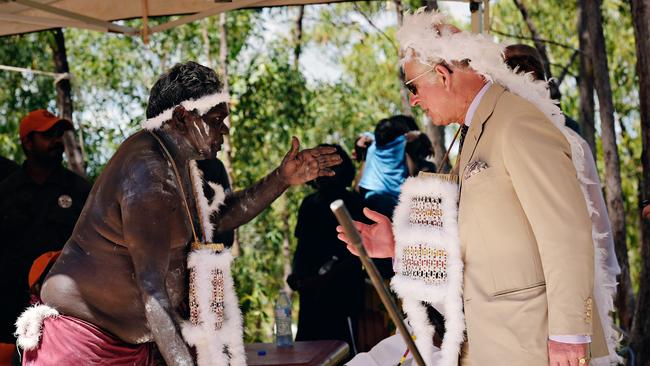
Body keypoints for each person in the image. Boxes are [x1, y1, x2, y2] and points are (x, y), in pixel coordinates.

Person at [18, 61, 341, 365]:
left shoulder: (174, 161)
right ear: (184, 117)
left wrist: (282, 178)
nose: (224, 130)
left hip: (126, 344)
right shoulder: (148, 171)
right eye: (215, 120)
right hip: (84, 344)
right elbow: (152, 292)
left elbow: (212, 222)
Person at [338, 11, 613, 365]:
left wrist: (569, 334)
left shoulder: (517, 121)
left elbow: (566, 232)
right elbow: (477, 243)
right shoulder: (473, 132)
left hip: (531, 343)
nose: (414, 101)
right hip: (489, 342)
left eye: (413, 87)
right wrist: (398, 246)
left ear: (442, 74)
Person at [0, 109, 90, 357]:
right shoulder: (6, 192)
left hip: (63, 312)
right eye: (48, 135)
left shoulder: (80, 190)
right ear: (27, 142)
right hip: (7, 310)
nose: (58, 140)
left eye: (59, 134)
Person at [287, 144, 364, 353]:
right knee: (308, 353)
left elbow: (355, 257)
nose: (323, 173)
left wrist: (321, 280)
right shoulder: (309, 204)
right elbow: (301, 246)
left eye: (330, 167)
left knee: (342, 354)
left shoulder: (352, 203)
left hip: (341, 297)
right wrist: (297, 276)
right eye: (317, 166)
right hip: (311, 298)